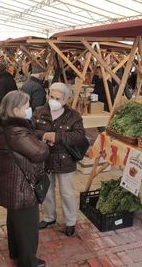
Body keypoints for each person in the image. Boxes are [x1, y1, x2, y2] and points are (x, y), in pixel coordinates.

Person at [0, 91, 48, 267]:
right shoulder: (15, 131)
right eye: (26, 106)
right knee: (28, 227)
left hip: (10, 183)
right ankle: (29, 261)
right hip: (21, 186)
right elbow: (39, 153)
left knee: (15, 222)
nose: (29, 109)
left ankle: (16, 252)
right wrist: (44, 144)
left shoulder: (4, 126)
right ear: (15, 110)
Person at [32, 83, 85, 237]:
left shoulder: (73, 116)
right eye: (51, 97)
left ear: (66, 100)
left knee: (67, 193)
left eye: (58, 98)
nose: (53, 101)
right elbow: (30, 130)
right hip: (45, 158)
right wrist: (43, 136)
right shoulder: (39, 111)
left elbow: (79, 136)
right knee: (47, 190)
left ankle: (70, 221)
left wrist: (57, 137)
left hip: (65, 159)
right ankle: (49, 217)